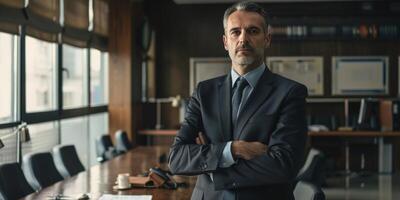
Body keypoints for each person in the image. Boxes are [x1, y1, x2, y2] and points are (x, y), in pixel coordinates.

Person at [168, 2, 308, 200]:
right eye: (235, 32)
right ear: (226, 42)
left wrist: (211, 164)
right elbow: (177, 159)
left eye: (253, 31)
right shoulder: (204, 92)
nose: (243, 39)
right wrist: (233, 149)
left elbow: (283, 165)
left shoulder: (290, 93)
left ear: (267, 39)